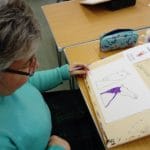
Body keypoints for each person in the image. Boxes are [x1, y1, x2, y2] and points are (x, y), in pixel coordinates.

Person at [0, 0, 104, 150]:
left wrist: (61, 73)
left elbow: (29, 82)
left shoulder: (11, 81)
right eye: (27, 64)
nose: (37, 66)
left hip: (48, 117)